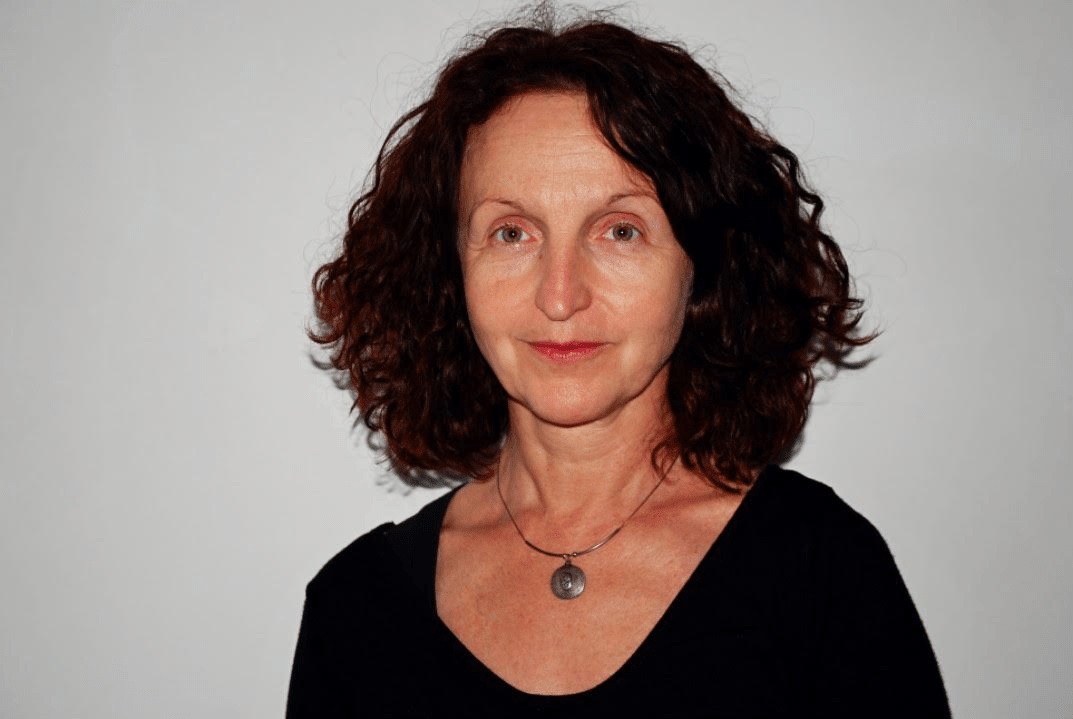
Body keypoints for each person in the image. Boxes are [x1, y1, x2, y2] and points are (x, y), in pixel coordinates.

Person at [287, 7, 950, 717]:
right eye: (511, 232)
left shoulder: (821, 572)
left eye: (620, 231)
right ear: (449, 271)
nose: (560, 295)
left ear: (702, 266)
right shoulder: (354, 607)